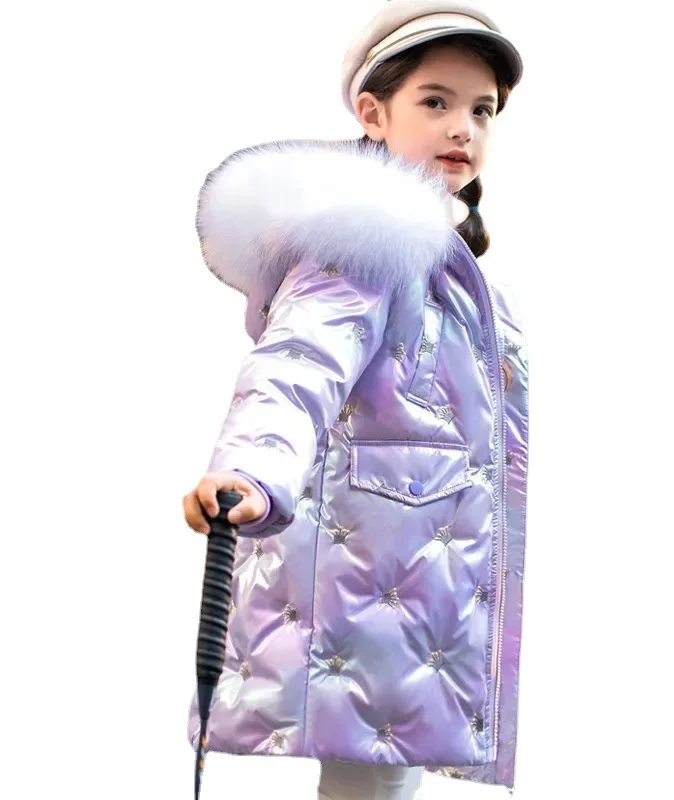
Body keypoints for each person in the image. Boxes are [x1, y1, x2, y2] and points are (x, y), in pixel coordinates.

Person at [182, 1, 529, 797]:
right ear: (373, 113)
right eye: (435, 101)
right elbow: (296, 364)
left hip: (414, 583)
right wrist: (250, 472)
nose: (463, 128)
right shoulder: (363, 249)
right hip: (372, 585)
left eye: (482, 110)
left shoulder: (451, 272)